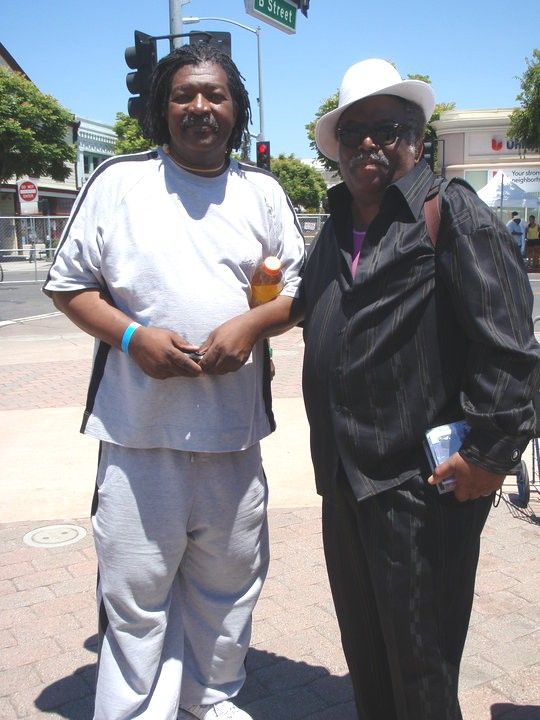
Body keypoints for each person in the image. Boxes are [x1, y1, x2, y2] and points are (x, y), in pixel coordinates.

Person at [43, 43, 304, 720]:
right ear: (162, 107)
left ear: (237, 110)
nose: (200, 107)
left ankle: (211, 702)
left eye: (216, 95)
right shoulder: (118, 181)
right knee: (136, 595)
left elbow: (301, 292)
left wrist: (251, 326)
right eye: (184, 94)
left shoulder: (262, 192)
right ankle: (135, 711)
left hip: (233, 436)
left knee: (230, 587)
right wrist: (133, 339)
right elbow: (68, 285)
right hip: (138, 438)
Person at [295, 58, 539, 720]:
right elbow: (308, 307)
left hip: (419, 488)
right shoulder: (335, 225)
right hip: (344, 479)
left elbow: (510, 346)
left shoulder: (451, 212)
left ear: (418, 138)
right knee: (367, 653)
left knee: (420, 665)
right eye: (354, 133)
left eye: (388, 129)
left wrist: (490, 456)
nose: (369, 144)